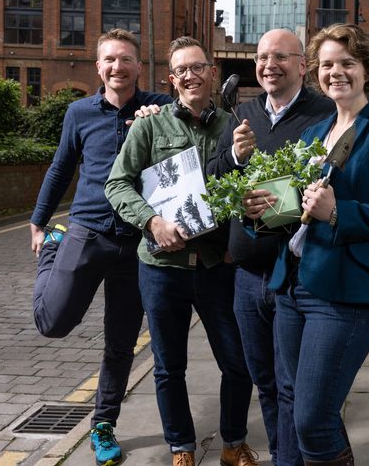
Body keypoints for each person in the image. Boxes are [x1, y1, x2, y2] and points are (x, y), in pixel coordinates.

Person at [244, 23, 369, 465]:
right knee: (291, 400)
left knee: (313, 418)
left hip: (346, 291)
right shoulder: (313, 133)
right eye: (326, 65)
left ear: (368, 70)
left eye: (347, 63)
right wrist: (263, 211)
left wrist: (339, 212)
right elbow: (296, 211)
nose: (335, 72)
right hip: (292, 284)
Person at [105, 37, 258, 466]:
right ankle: (181, 448)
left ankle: (233, 444)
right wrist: (152, 222)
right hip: (161, 265)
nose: (190, 76)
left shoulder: (235, 126)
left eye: (198, 67)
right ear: (171, 80)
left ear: (212, 73)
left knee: (237, 362)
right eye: (181, 70)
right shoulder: (148, 127)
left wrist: (237, 244)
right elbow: (117, 184)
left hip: (217, 265)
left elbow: (250, 190)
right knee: (169, 367)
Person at [29, 28, 172, 466]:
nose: (117, 67)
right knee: (53, 322)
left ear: (138, 66)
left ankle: (103, 424)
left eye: (125, 59)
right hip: (87, 233)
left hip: (137, 243)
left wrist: (161, 120)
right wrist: (38, 223)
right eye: (109, 59)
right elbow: (60, 168)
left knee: (121, 342)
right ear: (98, 67)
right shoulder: (79, 113)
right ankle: (53, 250)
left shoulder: (160, 108)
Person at [207, 28, 334, 466]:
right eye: (262, 57)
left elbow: (330, 182)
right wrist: (236, 157)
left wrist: (284, 201)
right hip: (246, 276)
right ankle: (283, 454)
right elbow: (214, 176)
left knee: (293, 385)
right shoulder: (243, 113)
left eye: (280, 56)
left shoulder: (325, 113)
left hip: (296, 274)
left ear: (302, 65)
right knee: (264, 380)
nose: (268, 65)